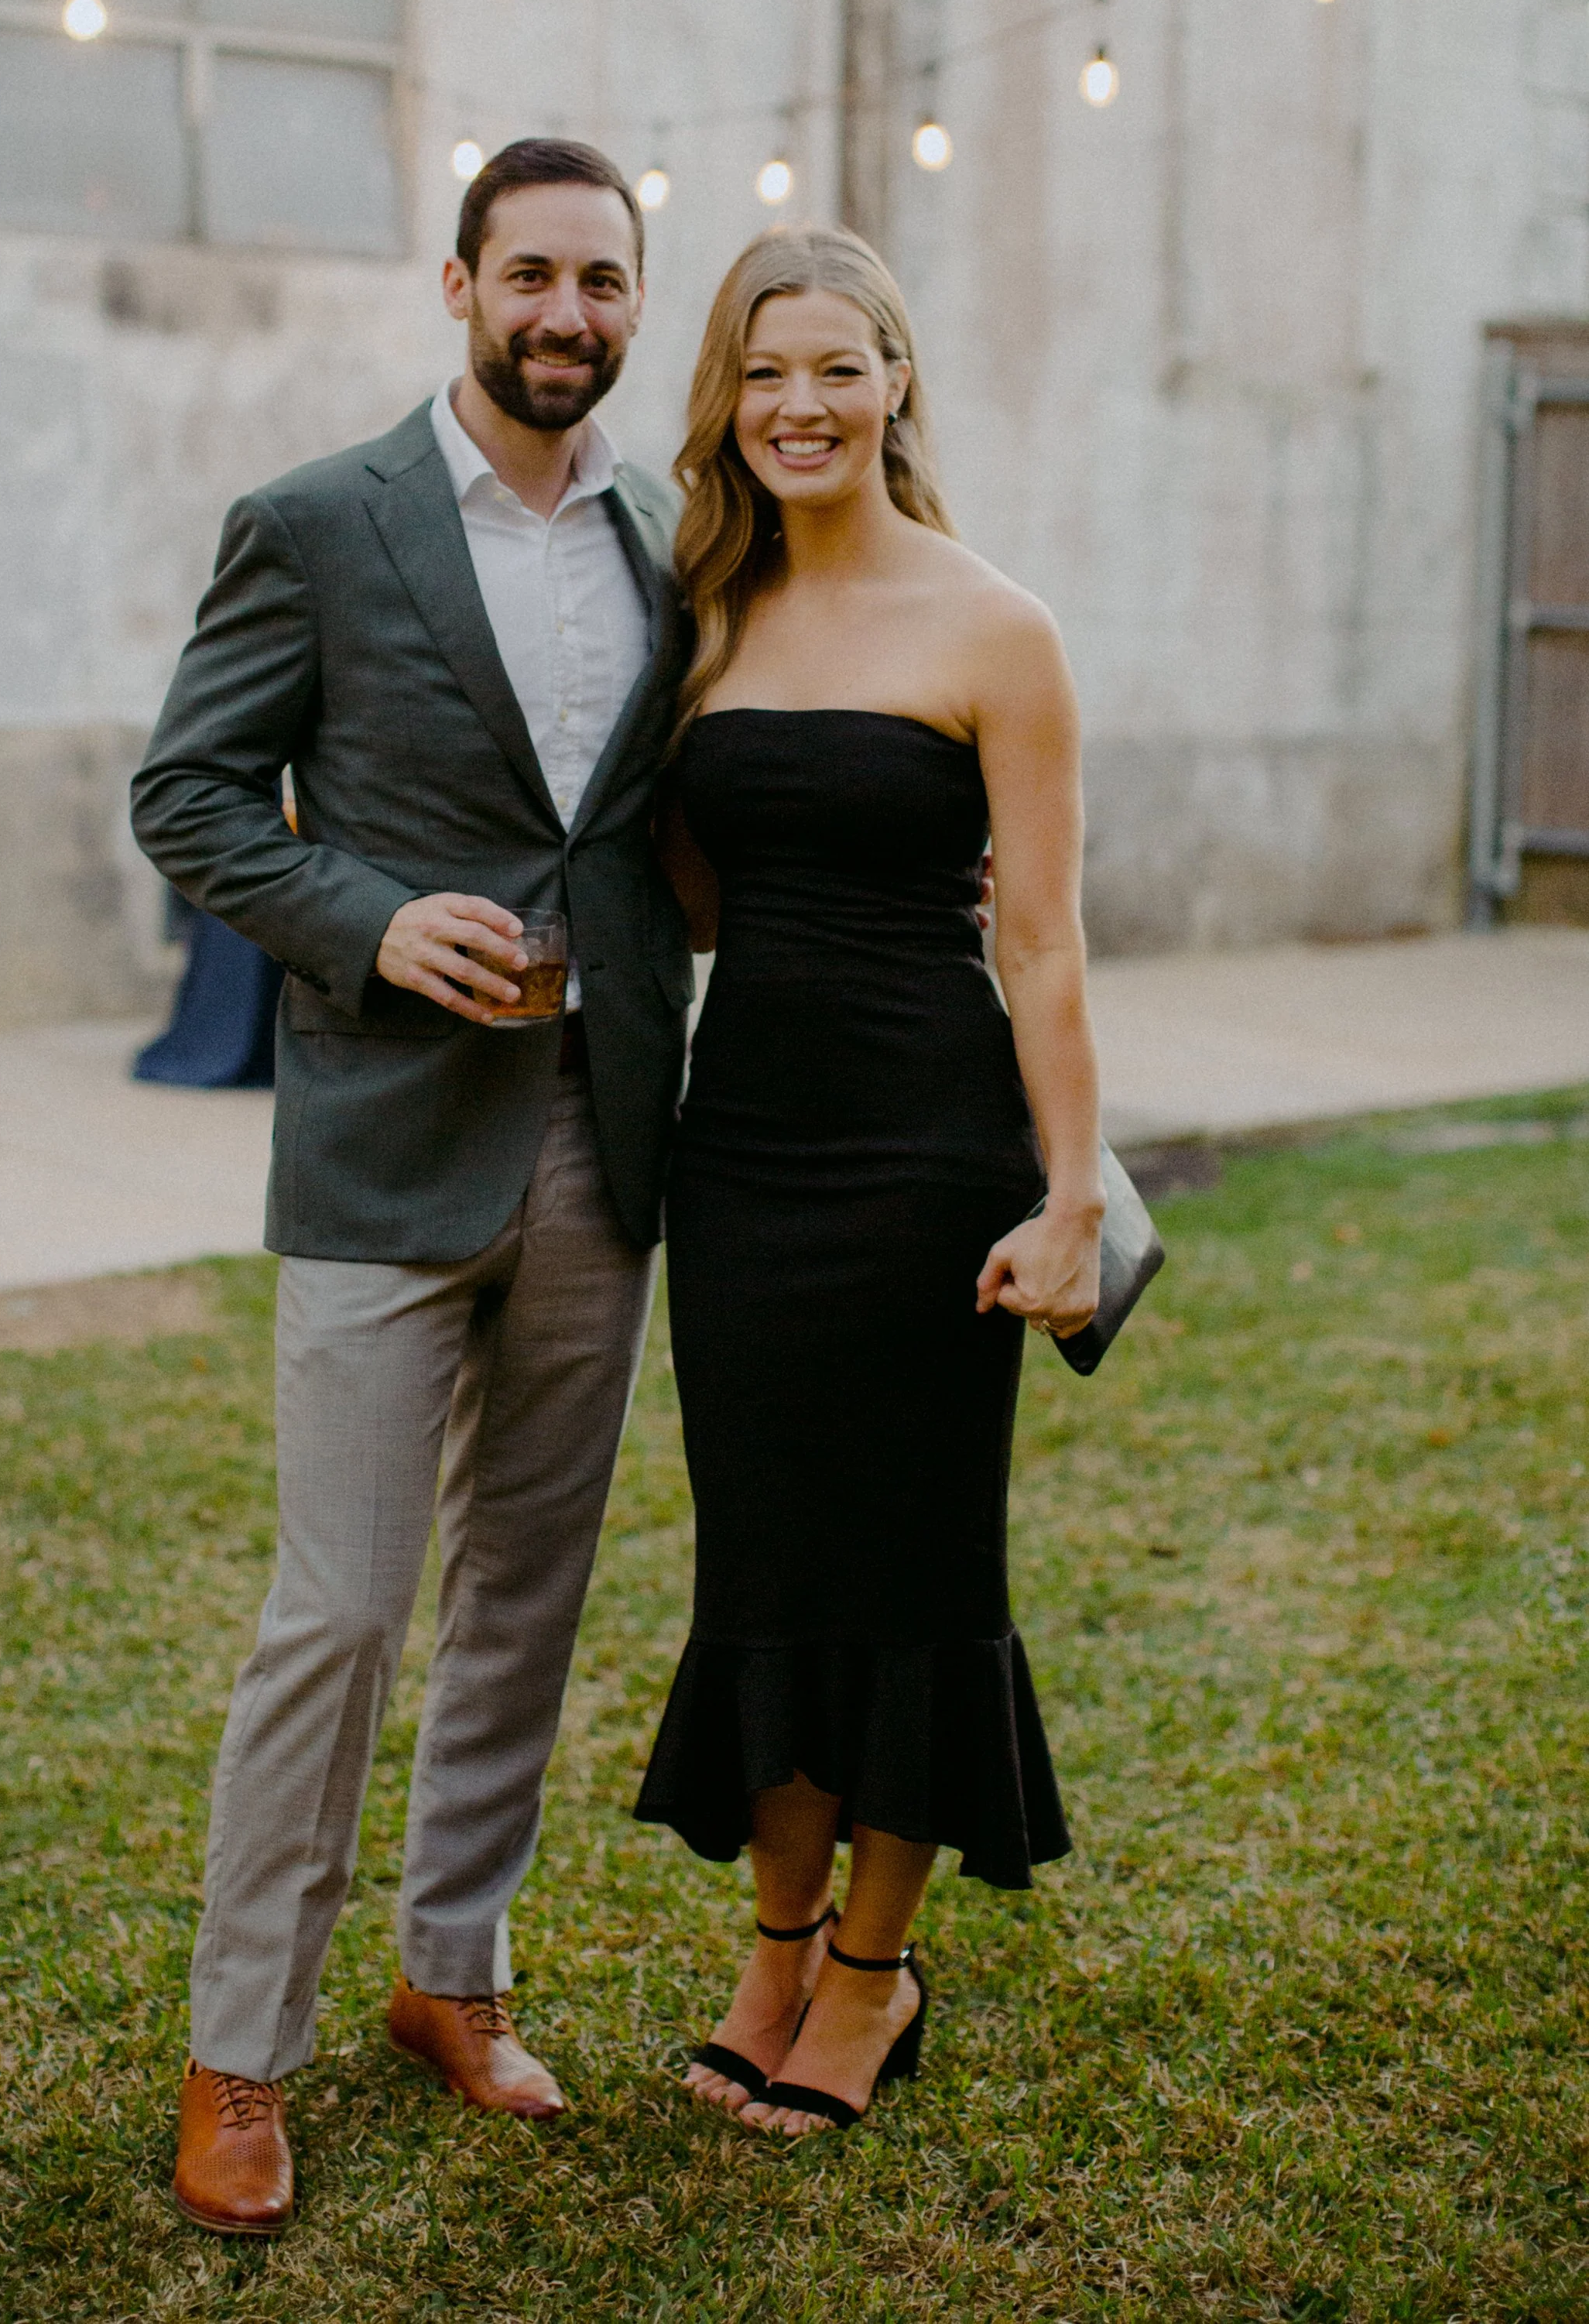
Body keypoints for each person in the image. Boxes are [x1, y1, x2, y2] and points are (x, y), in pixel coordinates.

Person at [129, 138, 693, 2234]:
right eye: (530, 272)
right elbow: (187, 792)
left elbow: (661, 823)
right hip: (382, 1131)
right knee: (344, 1608)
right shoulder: (315, 522)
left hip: (602, 1123)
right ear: (456, 282)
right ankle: (237, 2050)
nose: (567, 313)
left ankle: (450, 1972)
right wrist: (365, 918)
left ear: (638, 302)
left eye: (605, 281)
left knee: (526, 1593)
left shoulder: (672, 531)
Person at [632, 225, 1102, 2134]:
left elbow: (1047, 941)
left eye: (834, 368)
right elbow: (681, 888)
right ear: (722, 406)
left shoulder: (997, 626)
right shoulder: (698, 618)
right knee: (760, 1565)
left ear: (896, 379)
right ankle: (769, 1942)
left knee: (910, 1571)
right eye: (760, 374)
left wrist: (1069, 1196)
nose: (797, 407)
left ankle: (868, 1974)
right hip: (736, 1154)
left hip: (929, 1155)